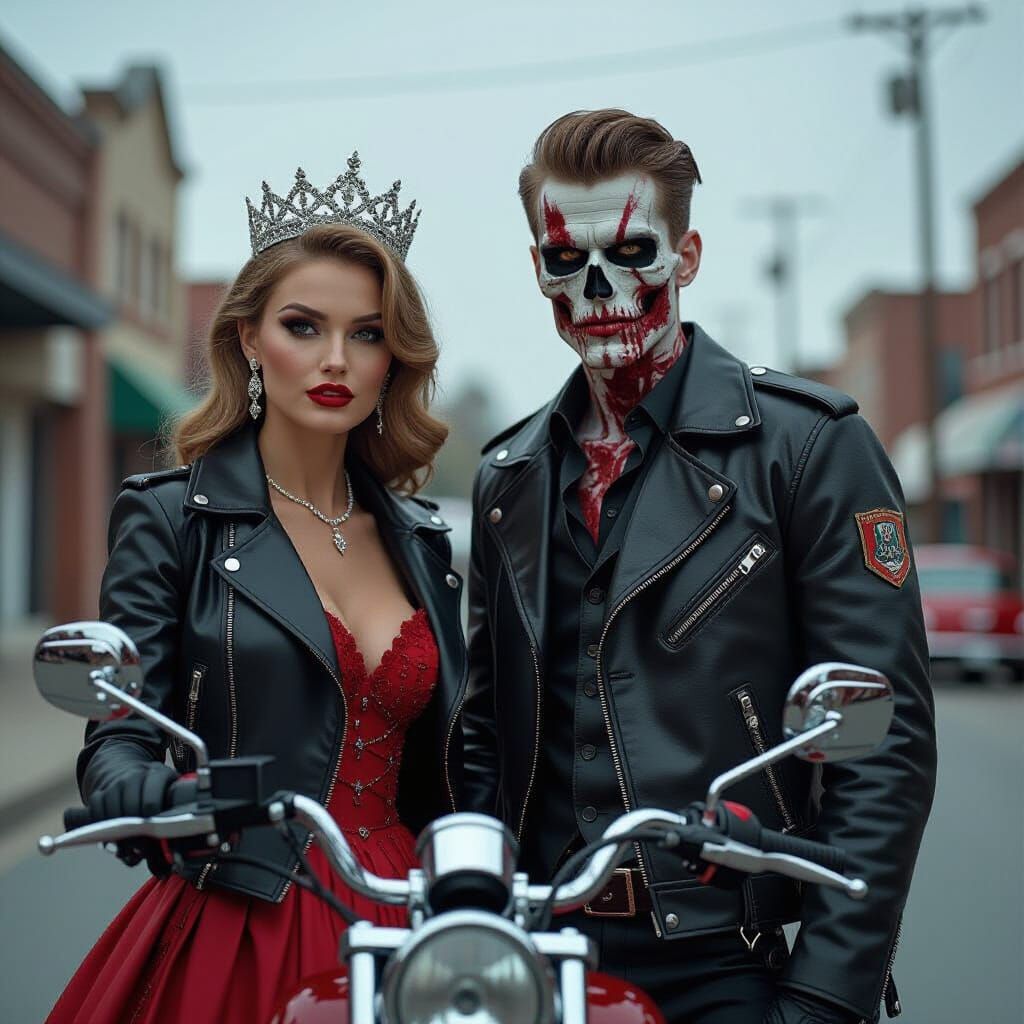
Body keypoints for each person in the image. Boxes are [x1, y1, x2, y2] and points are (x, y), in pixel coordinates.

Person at [462, 109, 936, 1024]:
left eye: (632, 250)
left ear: (687, 257)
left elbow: (884, 746)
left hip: (729, 958)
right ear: (538, 272)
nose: (597, 284)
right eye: (566, 260)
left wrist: (825, 994)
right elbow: (488, 733)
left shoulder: (806, 447)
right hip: (534, 954)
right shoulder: (506, 475)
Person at [47, 154, 467, 1023]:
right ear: (249, 338)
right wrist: (151, 793)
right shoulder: (170, 519)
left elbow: (471, 753)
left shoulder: (425, 540)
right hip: (244, 908)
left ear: (395, 359)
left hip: (415, 916)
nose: (336, 359)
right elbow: (116, 738)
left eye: (368, 333)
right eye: (304, 326)